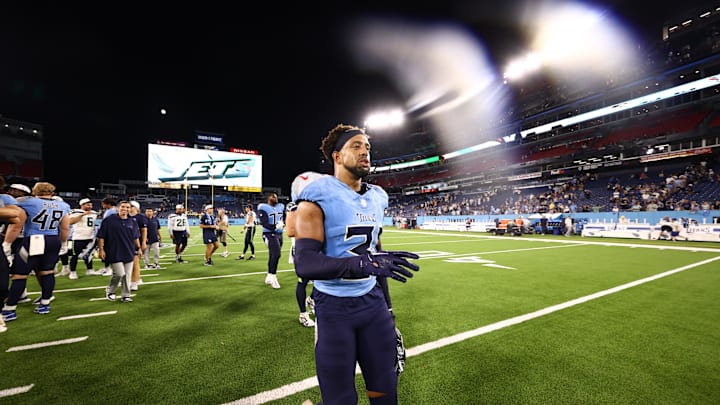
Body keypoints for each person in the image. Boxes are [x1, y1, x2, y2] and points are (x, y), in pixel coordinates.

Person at [294, 124, 420, 405]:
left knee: (385, 394)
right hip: (334, 308)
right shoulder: (317, 196)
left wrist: (388, 309)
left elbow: (377, 255)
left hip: (373, 307)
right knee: (341, 399)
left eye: (368, 147)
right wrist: (362, 264)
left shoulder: (377, 196)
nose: (365, 152)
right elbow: (305, 263)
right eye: (356, 146)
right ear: (337, 156)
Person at [2, 182, 71, 321]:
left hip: (34, 239)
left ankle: (10, 309)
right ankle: (45, 304)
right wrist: (64, 243)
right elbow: (65, 228)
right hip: (53, 240)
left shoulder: (27, 202)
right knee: (47, 272)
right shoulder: (63, 205)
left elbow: (16, 224)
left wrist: (7, 243)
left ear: (35, 190)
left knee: (19, 275)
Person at [287, 171, 325, 327]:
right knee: (302, 282)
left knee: (321, 279)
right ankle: (303, 314)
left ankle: (312, 300)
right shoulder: (296, 206)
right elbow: (290, 231)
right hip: (303, 250)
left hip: (319, 249)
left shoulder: (322, 204)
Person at [96, 201, 141, 303]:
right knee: (120, 273)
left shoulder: (132, 222)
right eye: (123, 207)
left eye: (127, 207)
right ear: (118, 208)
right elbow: (101, 236)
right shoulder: (109, 220)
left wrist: (138, 248)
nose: (125, 209)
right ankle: (110, 291)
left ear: (130, 209)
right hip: (114, 251)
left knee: (127, 275)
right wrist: (101, 249)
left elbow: (135, 237)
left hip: (129, 251)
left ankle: (125, 295)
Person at [257, 192, 284, 288]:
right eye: (273, 196)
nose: (275, 198)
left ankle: (269, 275)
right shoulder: (263, 207)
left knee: (273, 255)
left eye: (276, 196)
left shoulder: (281, 206)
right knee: (276, 254)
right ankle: (273, 277)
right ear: (268, 198)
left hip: (280, 234)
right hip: (269, 234)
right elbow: (264, 223)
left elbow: (284, 217)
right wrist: (275, 226)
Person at [67, 198, 99, 279]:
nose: (90, 206)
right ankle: (73, 272)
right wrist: (82, 215)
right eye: (88, 204)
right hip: (78, 237)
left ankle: (90, 269)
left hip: (90, 237)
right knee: (75, 256)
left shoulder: (94, 213)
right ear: (82, 205)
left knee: (89, 255)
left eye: (91, 204)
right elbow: (70, 222)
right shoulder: (75, 212)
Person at [128, 200, 148, 290]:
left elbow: (144, 230)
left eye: (131, 206)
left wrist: (143, 242)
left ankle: (134, 281)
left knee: (135, 262)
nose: (129, 208)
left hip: (136, 242)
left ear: (136, 208)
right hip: (126, 242)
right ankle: (136, 279)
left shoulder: (140, 217)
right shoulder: (126, 216)